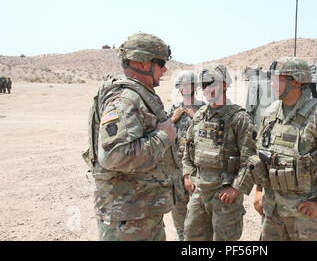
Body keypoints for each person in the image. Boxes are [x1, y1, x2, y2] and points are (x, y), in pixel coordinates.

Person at [83, 32, 178, 241]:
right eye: (160, 63)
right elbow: (114, 156)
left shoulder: (138, 95)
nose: (165, 70)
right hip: (127, 217)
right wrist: (163, 136)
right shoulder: (125, 99)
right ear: (142, 63)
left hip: (140, 211)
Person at [251, 57, 317, 241]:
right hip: (272, 211)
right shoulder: (269, 113)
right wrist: (259, 191)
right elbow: (261, 157)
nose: (272, 83)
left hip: (304, 215)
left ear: (295, 81)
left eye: (278, 78)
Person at [182, 64, 256, 241]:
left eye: (212, 83)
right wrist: (187, 175)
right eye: (205, 84)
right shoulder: (200, 115)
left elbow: (251, 158)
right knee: (192, 237)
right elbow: (188, 149)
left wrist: (236, 188)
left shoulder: (239, 117)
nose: (208, 89)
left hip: (224, 193)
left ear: (224, 85)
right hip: (199, 190)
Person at [168, 70, 205, 241]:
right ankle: (181, 237)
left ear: (194, 86)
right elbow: (162, 132)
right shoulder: (174, 109)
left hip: (197, 167)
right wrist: (173, 119)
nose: (185, 88)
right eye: (182, 86)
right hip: (176, 166)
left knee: (198, 207)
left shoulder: (203, 108)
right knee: (178, 206)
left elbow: (210, 133)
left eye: (189, 85)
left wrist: (196, 117)